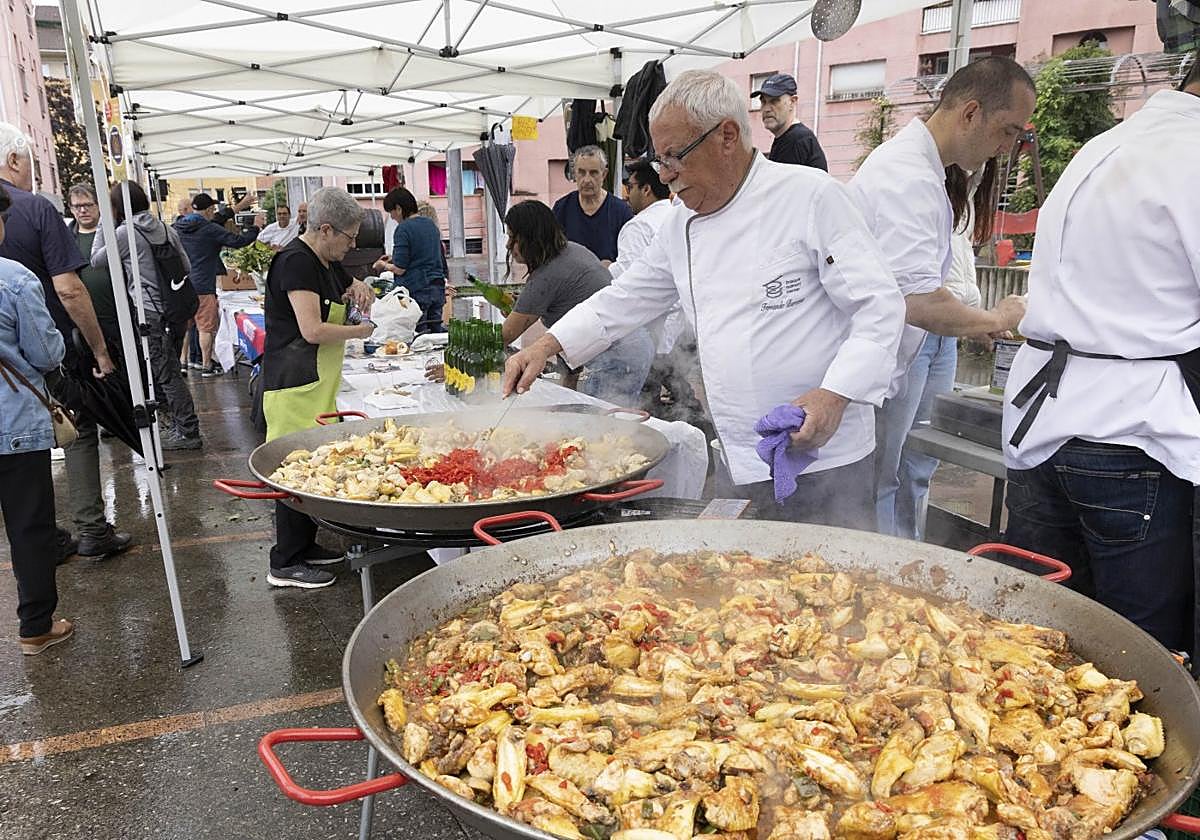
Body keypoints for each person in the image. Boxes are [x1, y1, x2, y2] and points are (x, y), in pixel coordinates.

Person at [504, 71, 905, 528]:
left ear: (727, 136)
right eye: (659, 160)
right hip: (738, 457)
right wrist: (545, 346)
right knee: (742, 571)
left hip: (825, 459)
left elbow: (880, 307)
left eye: (674, 157)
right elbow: (624, 298)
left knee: (836, 569)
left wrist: (835, 396)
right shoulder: (679, 226)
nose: (664, 175)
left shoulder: (812, 197)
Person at [1001, 57, 1200, 661]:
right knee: (1141, 655)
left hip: (1041, 424)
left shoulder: (1107, 144)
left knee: (1035, 639)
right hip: (1128, 432)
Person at [849, 57, 1033, 537]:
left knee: (895, 473)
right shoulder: (907, 175)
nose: (1007, 147)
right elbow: (918, 301)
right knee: (877, 481)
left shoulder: (928, 170)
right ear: (970, 112)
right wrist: (996, 317)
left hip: (892, 355)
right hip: (870, 364)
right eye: (1007, 131)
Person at [0, 122, 130, 560]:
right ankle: (91, 527)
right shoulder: (35, 208)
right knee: (77, 428)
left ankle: (40, 536)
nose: (31, 173)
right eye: (30, 164)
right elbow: (69, 289)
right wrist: (99, 350)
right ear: (13, 160)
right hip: (43, 352)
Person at [261, 187, 376, 589]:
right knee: (291, 468)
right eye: (349, 237)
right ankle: (285, 561)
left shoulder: (324, 260)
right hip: (294, 383)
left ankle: (304, 545)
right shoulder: (296, 262)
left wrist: (359, 285)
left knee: (312, 462)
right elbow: (311, 329)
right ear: (325, 229)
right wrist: (360, 331)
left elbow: (346, 284)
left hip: (317, 381)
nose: (352, 244)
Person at [0, 183, 74, 654]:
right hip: (14, 425)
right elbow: (47, 353)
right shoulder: (14, 278)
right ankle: (35, 626)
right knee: (29, 527)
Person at [502, 200, 654, 408]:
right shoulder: (573, 250)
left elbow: (505, 335)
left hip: (617, 358)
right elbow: (567, 331)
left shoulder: (547, 276)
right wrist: (566, 394)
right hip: (634, 348)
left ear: (531, 238)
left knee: (599, 423)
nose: (508, 245)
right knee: (600, 417)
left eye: (513, 237)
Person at [92, 182, 202, 451]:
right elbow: (186, 266)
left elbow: (96, 259)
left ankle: (187, 431)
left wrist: (103, 223)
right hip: (175, 309)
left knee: (167, 374)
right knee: (169, 370)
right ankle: (178, 424)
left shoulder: (125, 233)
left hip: (149, 312)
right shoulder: (165, 228)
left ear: (117, 206)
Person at [172, 192, 258, 377]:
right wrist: (255, 228)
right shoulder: (209, 229)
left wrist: (240, 205)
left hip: (182, 285)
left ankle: (182, 363)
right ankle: (206, 365)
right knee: (205, 327)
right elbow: (238, 241)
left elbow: (219, 218)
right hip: (204, 285)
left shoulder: (177, 227)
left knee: (185, 326)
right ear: (209, 210)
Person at [372, 187, 446, 334]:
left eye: (391, 212)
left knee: (419, 337)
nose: (392, 217)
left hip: (417, 291)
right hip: (437, 288)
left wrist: (383, 265)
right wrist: (393, 258)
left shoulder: (403, 229)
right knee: (436, 335)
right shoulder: (430, 224)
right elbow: (423, 253)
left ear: (399, 209)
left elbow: (400, 269)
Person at [552, 145, 633, 265]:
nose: (587, 180)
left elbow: (629, 259)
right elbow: (552, 253)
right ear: (574, 174)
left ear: (604, 174)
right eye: (581, 172)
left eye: (593, 173)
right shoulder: (562, 208)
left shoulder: (621, 212)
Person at [66, 183, 119, 341]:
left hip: (119, 316)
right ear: (71, 209)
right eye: (77, 206)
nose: (83, 210)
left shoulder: (115, 233)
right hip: (86, 321)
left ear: (98, 205)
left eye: (88, 205)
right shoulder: (66, 239)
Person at [751, 73, 828, 170]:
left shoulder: (796, 139)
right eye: (763, 102)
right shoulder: (787, 138)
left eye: (774, 101)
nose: (766, 109)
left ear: (792, 102)